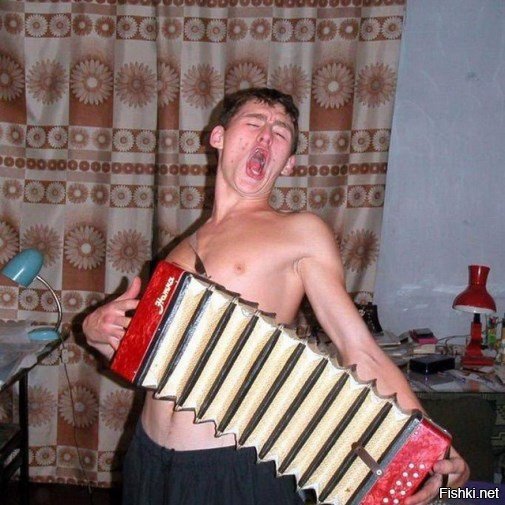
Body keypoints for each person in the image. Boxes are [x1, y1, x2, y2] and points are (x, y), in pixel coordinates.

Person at [83, 88, 469, 505]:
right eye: (253, 123)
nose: (266, 135)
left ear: (288, 164)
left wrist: (434, 446)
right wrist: (96, 332)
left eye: (280, 132)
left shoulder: (300, 232)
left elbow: (360, 350)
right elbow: (151, 366)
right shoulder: (178, 251)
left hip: (235, 467)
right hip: (147, 459)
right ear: (218, 137)